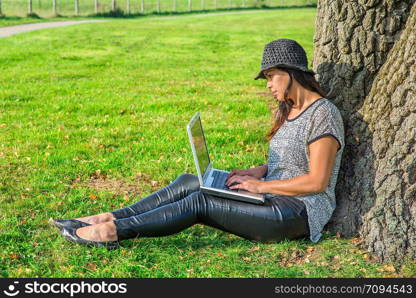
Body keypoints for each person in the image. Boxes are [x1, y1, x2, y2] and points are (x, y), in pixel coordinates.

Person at [52, 38, 345, 249]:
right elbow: (295, 160)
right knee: (190, 182)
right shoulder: (291, 107)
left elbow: (317, 180)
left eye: (271, 77)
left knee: (201, 201)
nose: (268, 85)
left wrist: (262, 186)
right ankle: (107, 216)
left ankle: (111, 232)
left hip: (298, 213)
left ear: (291, 72)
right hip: (273, 197)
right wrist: (258, 171)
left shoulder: (323, 114)